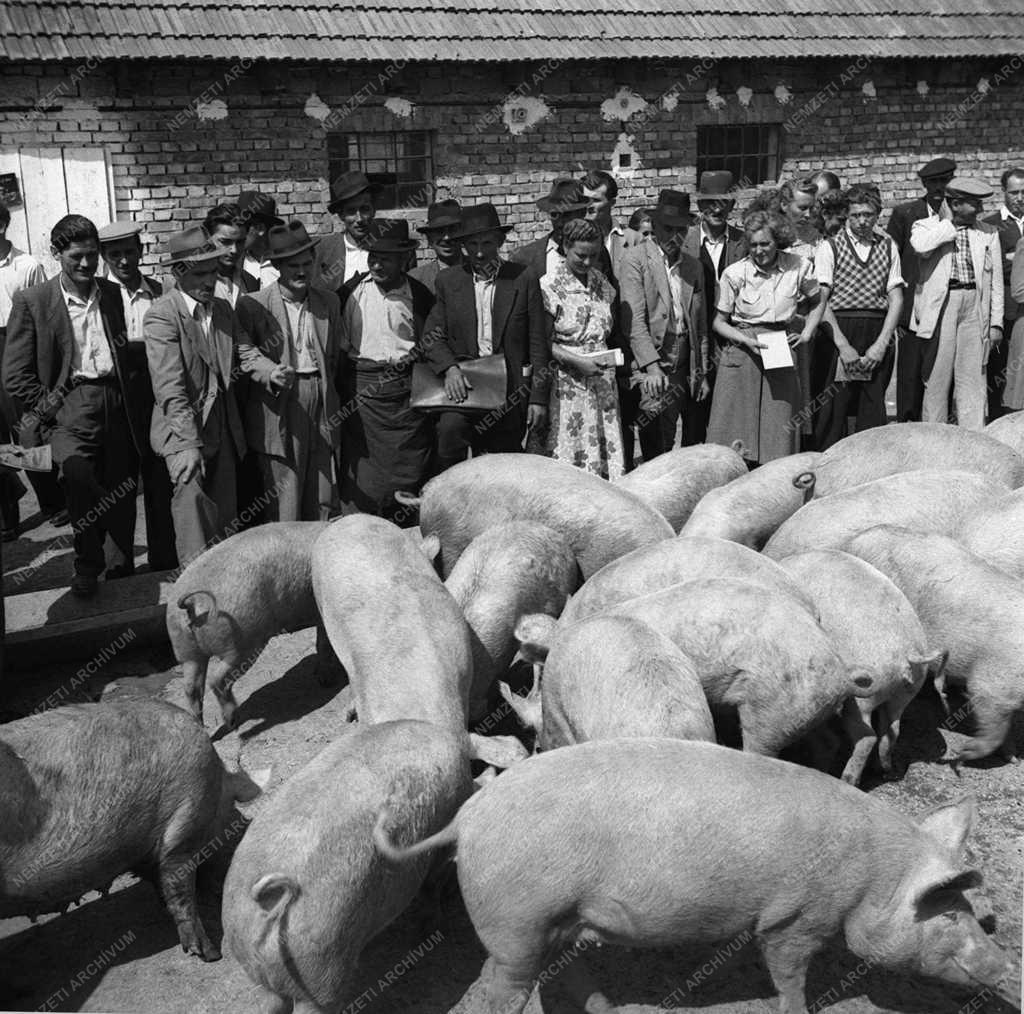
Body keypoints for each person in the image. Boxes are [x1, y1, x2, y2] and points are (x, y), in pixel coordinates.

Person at [3, 214, 145, 596]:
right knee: (79, 480)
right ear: (56, 254)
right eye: (76, 257)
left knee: (121, 486)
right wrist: (50, 409)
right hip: (68, 407)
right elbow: (14, 374)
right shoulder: (33, 301)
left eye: (92, 256)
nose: (86, 264)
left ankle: (120, 571)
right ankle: (87, 565)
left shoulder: (111, 293)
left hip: (115, 401)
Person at [145, 226, 275, 566]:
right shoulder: (162, 314)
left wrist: (271, 371)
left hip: (223, 429)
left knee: (223, 521)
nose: (209, 281)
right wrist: (188, 443)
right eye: (200, 273)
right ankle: (194, 595)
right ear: (178, 273)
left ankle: (223, 595)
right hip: (182, 431)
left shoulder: (222, 309)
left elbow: (246, 353)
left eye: (214, 272)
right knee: (193, 519)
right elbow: (169, 387)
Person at [423, 203, 549, 472]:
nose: (479, 252)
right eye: (472, 244)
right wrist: (450, 369)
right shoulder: (449, 281)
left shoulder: (522, 278)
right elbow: (432, 337)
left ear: (500, 241)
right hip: (464, 388)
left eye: (487, 243)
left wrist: (538, 399)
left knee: (503, 467)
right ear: (463, 245)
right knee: (450, 435)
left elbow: (538, 343)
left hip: (509, 389)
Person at [235, 221, 343, 523]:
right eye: (293, 265)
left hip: (320, 397)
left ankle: (317, 556)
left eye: (307, 264)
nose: (301, 272)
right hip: (281, 400)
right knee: (286, 490)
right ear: (278, 266)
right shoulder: (253, 305)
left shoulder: (328, 302)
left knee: (322, 487)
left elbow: (334, 356)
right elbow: (244, 353)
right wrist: (270, 372)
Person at [706, 209, 824, 466]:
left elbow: (818, 301)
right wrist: (745, 340)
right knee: (736, 428)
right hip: (743, 348)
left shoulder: (799, 266)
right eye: (754, 245)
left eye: (765, 244)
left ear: (778, 240)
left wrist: (807, 332)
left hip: (780, 346)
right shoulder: (735, 273)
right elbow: (719, 322)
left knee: (779, 428)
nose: (759, 250)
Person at [336, 219, 434, 519]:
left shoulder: (419, 296)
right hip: (364, 393)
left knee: (409, 465)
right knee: (365, 470)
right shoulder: (350, 293)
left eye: (385, 259)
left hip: (405, 395)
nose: (377, 265)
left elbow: (430, 344)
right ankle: (364, 526)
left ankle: (408, 526)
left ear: (403, 260)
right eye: (373, 258)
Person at [98, 220, 177, 570]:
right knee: (120, 482)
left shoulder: (161, 292)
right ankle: (119, 567)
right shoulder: (98, 297)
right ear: (104, 257)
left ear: (141, 252)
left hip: (156, 397)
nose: (124, 261)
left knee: (160, 480)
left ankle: (164, 559)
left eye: (130, 252)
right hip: (118, 401)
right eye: (115, 254)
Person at [620, 190, 709, 459]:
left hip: (683, 361)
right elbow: (633, 321)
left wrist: (702, 370)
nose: (674, 237)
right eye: (668, 229)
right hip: (653, 360)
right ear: (655, 227)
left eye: (681, 230)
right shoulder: (635, 260)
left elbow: (700, 324)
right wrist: (652, 367)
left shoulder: (693, 266)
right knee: (655, 437)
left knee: (683, 437)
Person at [813, 186, 904, 449]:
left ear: (878, 214)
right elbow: (822, 300)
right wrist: (843, 346)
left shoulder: (888, 246)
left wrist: (881, 344)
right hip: (838, 330)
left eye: (868, 214)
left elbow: (896, 298)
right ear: (846, 216)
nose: (862, 221)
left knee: (871, 409)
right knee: (833, 409)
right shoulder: (829, 247)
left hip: (877, 329)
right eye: (855, 215)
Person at [910, 177, 1003, 430]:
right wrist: (949, 223)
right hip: (942, 307)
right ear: (956, 204)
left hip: (975, 307)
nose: (981, 210)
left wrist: (996, 323)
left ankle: (973, 436)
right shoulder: (926, 226)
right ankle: (934, 438)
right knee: (937, 377)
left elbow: (995, 282)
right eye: (975, 204)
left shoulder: (988, 233)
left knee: (973, 378)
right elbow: (921, 246)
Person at [541, 218, 623, 479]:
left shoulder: (601, 282)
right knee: (571, 449)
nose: (587, 263)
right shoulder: (549, 285)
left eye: (594, 256)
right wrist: (577, 362)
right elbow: (543, 342)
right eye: (581, 256)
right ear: (565, 247)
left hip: (602, 380)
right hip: (567, 383)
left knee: (603, 450)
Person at [887, 156, 957, 421]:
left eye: (945, 181)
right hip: (913, 309)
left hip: (948, 307)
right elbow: (892, 259)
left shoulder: (961, 214)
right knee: (910, 374)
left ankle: (942, 428)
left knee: (942, 374)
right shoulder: (906, 214)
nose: (940, 188)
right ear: (925, 185)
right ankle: (907, 427)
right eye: (934, 183)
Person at [0, 199, 53, 538]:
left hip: (17, 346)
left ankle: (51, 499)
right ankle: (8, 515)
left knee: (26, 428)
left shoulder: (27, 264)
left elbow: (43, 312)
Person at [682, 171, 748, 445]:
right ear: (699, 206)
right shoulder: (684, 240)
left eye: (724, 202)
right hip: (694, 339)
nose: (717, 209)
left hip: (732, 337)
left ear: (732, 206)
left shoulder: (743, 242)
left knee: (729, 411)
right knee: (694, 411)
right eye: (710, 202)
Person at [982, 168, 1024, 419]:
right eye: (1014, 192)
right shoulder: (991, 224)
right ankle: (998, 422)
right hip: (1002, 307)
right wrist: (1012, 259)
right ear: (1004, 193)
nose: (1020, 197)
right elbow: (989, 264)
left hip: (1022, 313)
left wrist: (1012, 257)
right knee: (999, 370)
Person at [509, 178, 590, 281]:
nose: (560, 222)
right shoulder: (525, 258)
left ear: (582, 213)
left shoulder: (598, 255)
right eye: (554, 214)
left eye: (567, 215)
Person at [311, 170, 379, 291]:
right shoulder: (322, 251)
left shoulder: (390, 248)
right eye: (351, 211)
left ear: (373, 210)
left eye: (365, 209)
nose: (359, 219)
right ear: (341, 215)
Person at [204, 203, 259, 308]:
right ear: (208, 238)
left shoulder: (250, 281)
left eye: (240, 242)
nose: (234, 250)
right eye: (225, 242)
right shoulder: (195, 284)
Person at [409, 200, 463, 295]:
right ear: (429, 239)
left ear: (463, 234)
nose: (446, 238)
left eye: (452, 230)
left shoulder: (478, 272)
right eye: (439, 231)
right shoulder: (416, 279)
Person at [238, 190, 284, 288]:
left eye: (243, 226)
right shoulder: (235, 263)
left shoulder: (286, 262)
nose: (238, 231)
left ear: (260, 229)